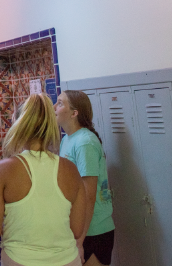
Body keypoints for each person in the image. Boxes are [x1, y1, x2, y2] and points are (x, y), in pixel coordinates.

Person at [0, 94, 87, 266]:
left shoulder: (2, 170)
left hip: (19, 261)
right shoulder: (71, 170)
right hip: (67, 261)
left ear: (18, 124)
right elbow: (76, 230)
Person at [55, 91, 115, 266]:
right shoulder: (67, 140)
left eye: (60, 103)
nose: (55, 108)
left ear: (74, 113)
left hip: (94, 231)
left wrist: (80, 241)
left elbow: (89, 195)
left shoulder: (85, 143)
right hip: (77, 228)